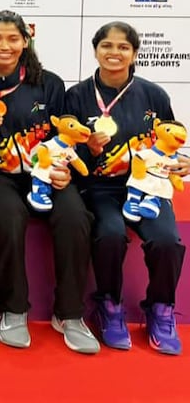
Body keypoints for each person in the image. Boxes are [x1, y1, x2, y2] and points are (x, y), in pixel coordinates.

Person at [0, 10, 99, 353]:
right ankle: (13, 309)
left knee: (75, 216)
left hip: (47, 173)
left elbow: (66, 136)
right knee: (7, 217)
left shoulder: (50, 83)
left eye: (13, 38)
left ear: (25, 41)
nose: (4, 46)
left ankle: (69, 314)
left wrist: (65, 170)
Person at [64, 21, 186, 355]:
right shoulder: (76, 96)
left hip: (149, 187)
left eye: (123, 47)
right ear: (95, 50)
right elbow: (66, 152)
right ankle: (109, 304)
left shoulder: (154, 95)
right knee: (110, 235)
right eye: (107, 45)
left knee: (166, 242)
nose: (114, 53)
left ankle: (160, 308)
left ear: (134, 53)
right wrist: (90, 148)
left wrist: (183, 163)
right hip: (101, 188)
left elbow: (172, 141)